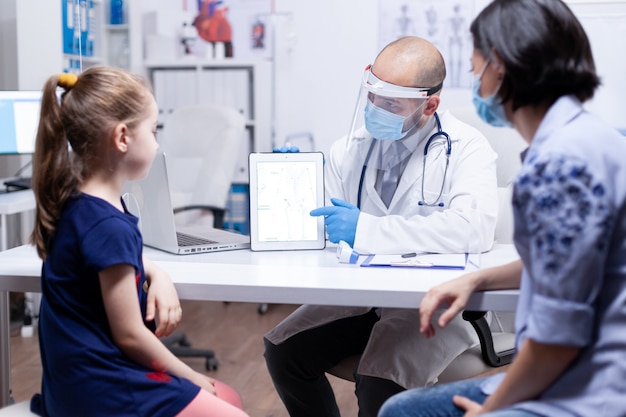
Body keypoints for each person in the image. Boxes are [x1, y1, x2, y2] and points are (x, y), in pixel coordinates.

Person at [378, 1, 626, 416]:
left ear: (500, 68)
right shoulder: (598, 139)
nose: (474, 82)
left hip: (588, 386)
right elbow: (567, 260)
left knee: (402, 411)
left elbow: (556, 341)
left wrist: (494, 408)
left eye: (474, 71)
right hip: (592, 367)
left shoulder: (558, 167)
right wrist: (478, 280)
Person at [263, 36, 499, 417]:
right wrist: (293, 180)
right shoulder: (351, 146)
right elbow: (326, 219)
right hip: (363, 296)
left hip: (431, 305)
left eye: (390, 103)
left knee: (378, 382)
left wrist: (368, 231)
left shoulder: (468, 148)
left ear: (430, 105)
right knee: (283, 350)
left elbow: (473, 228)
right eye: (372, 96)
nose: (375, 109)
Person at [29, 66, 249, 417]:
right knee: (231, 410)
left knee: (227, 396)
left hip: (72, 383)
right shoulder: (107, 225)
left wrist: (156, 272)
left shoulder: (79, 206)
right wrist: (191, 375)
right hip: (101, 390)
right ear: (122, 138)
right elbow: (130, 335)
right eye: (153, 129)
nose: (158, 141)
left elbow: (105, 262)